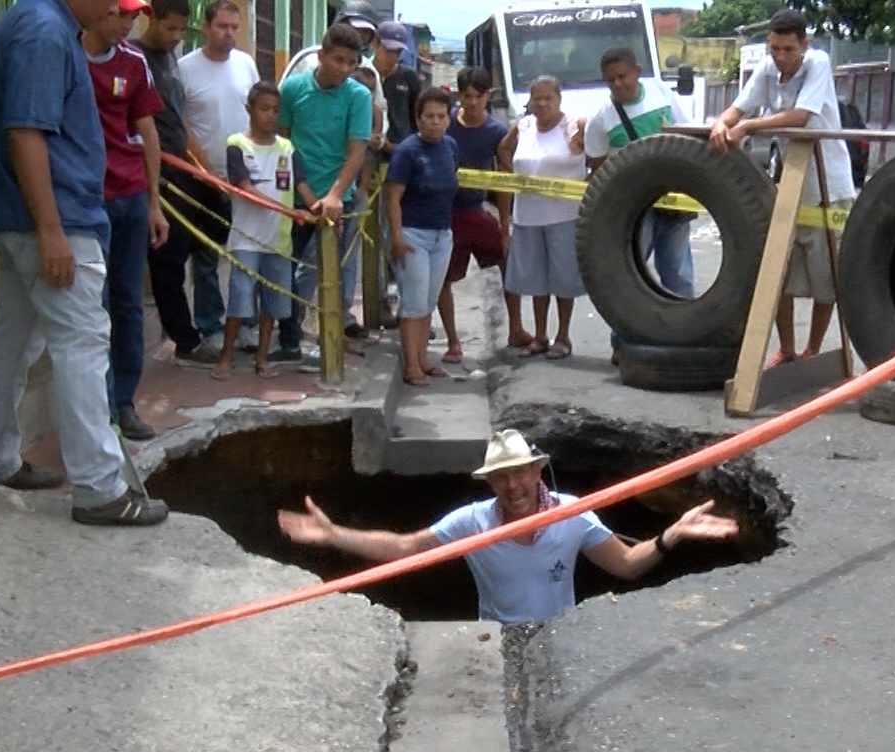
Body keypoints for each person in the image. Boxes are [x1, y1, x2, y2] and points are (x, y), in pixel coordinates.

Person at [0, 0, 168, 527]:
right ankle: (100, 489)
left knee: (15, 339)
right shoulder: (42, 31)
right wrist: (52, 229)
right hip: (52, 223)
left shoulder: (37, 23)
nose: (116, 10)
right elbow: (25, 131)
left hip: (29, 219)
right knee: (81, 342)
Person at [276, 430, 741, 625]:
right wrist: (334, 534)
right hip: (495, 640)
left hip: (559, 635)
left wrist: (670, 535)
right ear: (490, 481)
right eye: (502, 475)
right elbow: (405, 548)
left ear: (539, 472)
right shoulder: (474, 522)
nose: (513, 484)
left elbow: (625, 566)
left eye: (521, 472)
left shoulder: (572, 513)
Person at [706, 9, 855, 364]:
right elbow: (738, 108)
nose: (781, 56)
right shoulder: (768, 68)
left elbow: (800, 117)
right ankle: (786, 349)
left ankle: (813, 351)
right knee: (775, 270)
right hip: (788, 185)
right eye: (774, 48)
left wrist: (748, 127)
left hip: (827, 186)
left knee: (826, 277)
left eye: (788, 49)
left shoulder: (817, 63)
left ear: (804, 44)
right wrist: (721, 124)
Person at [75, 0, 171, 443]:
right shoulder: (65, 52)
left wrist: (154, 203)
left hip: (129, 197)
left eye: (135, 16)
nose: (128, 24)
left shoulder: (133, 62)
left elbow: (147, 130)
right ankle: (91, 408)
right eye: (122, 14)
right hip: (82, 199)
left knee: (127, 303)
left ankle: (123, 402)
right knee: (87, 310)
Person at [275, 23, 374, 364]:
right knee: (286, 271)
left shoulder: (358, 96)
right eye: (338, 60)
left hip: (337, 200)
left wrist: (334, 195)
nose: (344, 69)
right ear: (321, 56)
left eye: (351, 62)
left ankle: (328, 342)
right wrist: (303, 192)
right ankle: (289, 340)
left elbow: (357, 151)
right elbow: (284, 143)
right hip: (294, 197)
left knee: (330, 274)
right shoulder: (292, 89)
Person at [135, 0, 218, 366]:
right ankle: (184, 340)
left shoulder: (169, 58)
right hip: (152, 173)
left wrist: (202, 167)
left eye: (182, 30)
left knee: (205, 240)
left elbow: (177, 116)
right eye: (170, 28)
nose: (176, 37)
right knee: (166, 259)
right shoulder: (133, 56)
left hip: (180, 167)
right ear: (149, 17)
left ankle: (203, 326)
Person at [587, 45, 693, 324]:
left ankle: (685, 336)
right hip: (631, 210)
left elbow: (687, 139)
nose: (617, 84)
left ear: (636, 72)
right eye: (610, 80)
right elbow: (598, 171)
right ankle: (623, 341)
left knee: (678, 274)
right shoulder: (601, 119)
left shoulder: (662, 95)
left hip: (673, 201)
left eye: (623, 76)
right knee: (628, 277)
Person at [179, 0, 262, 355]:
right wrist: (205, 170)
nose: (228, 33)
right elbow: (180, 124)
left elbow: (258, 114)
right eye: (221, 26)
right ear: (205, 27)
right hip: (202, 177)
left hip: (245, 177)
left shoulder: (245, 64)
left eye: (233, 27)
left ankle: (245, 323)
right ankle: (211, 326)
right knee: (206, 257)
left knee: (247, 254)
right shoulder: (184, 68)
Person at [216, 81, 309, 381]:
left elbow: (302, 185)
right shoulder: (237, 145)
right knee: (240, 300)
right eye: (264, 109)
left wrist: (318, 208)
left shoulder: (287, 147)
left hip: (278, 240)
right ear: (249, 109)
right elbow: (244, 189)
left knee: (273, 304)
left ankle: (262, 358)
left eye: (275, 110)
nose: (270, 115)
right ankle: (226, 358)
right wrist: (288, 210)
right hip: (245, 238)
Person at [498, 76, 586, 359]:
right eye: (537, 98)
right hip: (527, 215)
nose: (542, 103)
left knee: (563, 278)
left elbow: (594, 150)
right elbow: (502, 149)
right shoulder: (523, 126)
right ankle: (540, 336)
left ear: (559, 98)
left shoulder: (572, 124)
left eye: (548, 97)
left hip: (564, 214)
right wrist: (515, 175)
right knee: (536, 280)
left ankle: (563, 336)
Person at [439, 67, 523, 360]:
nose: (472, 102)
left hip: (476, 210)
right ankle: (453, 341)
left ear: (488, 96)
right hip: (445, 213)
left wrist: (504, 226)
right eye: (466, 96)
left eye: (478, 96)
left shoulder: (497, 132)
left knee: (508, 263)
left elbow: (503, 181)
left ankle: (516, 328)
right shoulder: (445, 123)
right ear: (458, 96)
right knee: (443, 279)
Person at [385, 87, 459, 386]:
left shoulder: (451, 146)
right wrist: (396, 237)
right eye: (429, 116)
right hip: (413, 235)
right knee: (413, 304)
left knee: (427, 302)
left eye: (441, 116)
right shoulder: (407, 152)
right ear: (418, 119)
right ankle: (411, 366)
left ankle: (423, 358)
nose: (436, 122)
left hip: (442, 235)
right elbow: (392, 197)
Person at [374, 21, 423, 152]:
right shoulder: (365, 75)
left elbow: (417, 113)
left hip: (401, 151)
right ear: (375, 44)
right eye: (388, 51)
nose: (393, 57)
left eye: (398, 52)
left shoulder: (408, 77)